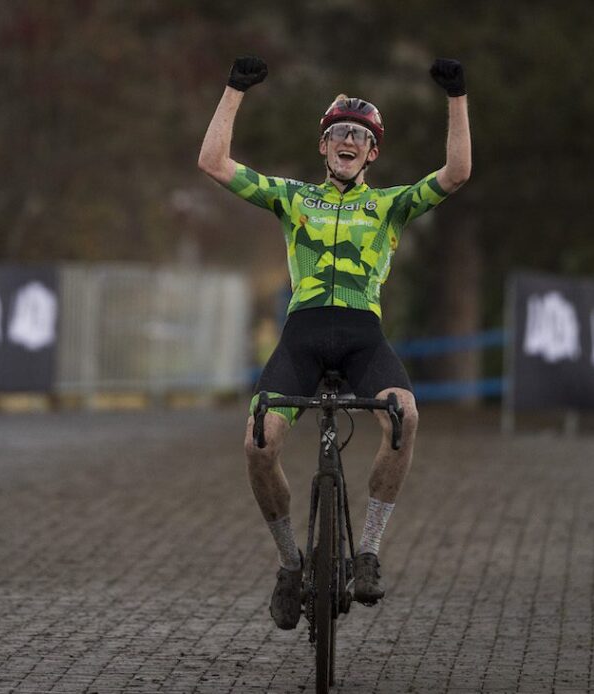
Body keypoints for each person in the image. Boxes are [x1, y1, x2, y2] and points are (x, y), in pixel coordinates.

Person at [198, 56, 471, 629]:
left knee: (405, 416)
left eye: (360, 136)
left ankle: (367, 550)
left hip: (362, 339)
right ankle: (289, 564)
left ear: (372, 154)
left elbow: (456, 173)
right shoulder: (293, 196)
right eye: (337, 133)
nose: (347, 140)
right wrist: (233, 90)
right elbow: (213, 163)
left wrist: (457, 99)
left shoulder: (390, 204)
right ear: (323, 148)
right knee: (256, 445)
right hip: (302, 337)